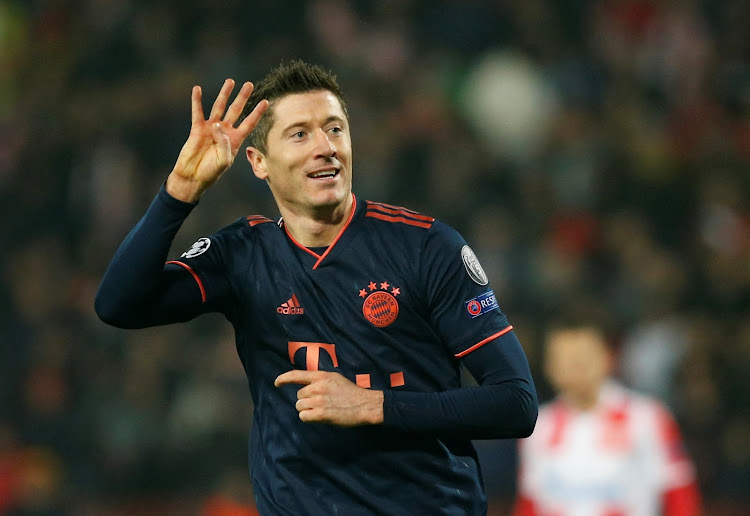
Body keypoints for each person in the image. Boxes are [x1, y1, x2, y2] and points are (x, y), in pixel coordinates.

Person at [95, 60, 537, 515]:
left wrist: (376, 405)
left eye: (335, 129)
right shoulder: (243, 254)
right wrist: (180, 191)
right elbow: (117, 305)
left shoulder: (426, 247)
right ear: (259, 162)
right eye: (300, 134)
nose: (325, 147)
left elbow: (516, 402)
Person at [512, 325, 700, 516]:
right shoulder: (539, 425)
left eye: (583, 358)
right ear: (550, 367)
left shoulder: (646, 417)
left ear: (607, 358)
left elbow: (679, 491)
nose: (576, 367)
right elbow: (530, 501)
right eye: (565, 360)